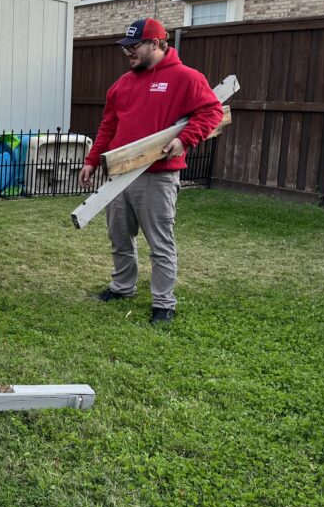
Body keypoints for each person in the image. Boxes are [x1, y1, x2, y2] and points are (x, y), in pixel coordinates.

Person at [78, 18, 223, 325]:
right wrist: (92, 160)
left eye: (134, 47)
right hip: (119, 174)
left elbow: (212, 112)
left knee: (160, 242)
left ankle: (163, 303)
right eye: (126, 48)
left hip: (158, 176)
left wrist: (184, 139)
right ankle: (122, 287)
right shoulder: (122, 84)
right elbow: (108, 126)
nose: (128, 53)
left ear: (155, 44)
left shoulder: (186, 78)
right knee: (119, 237)